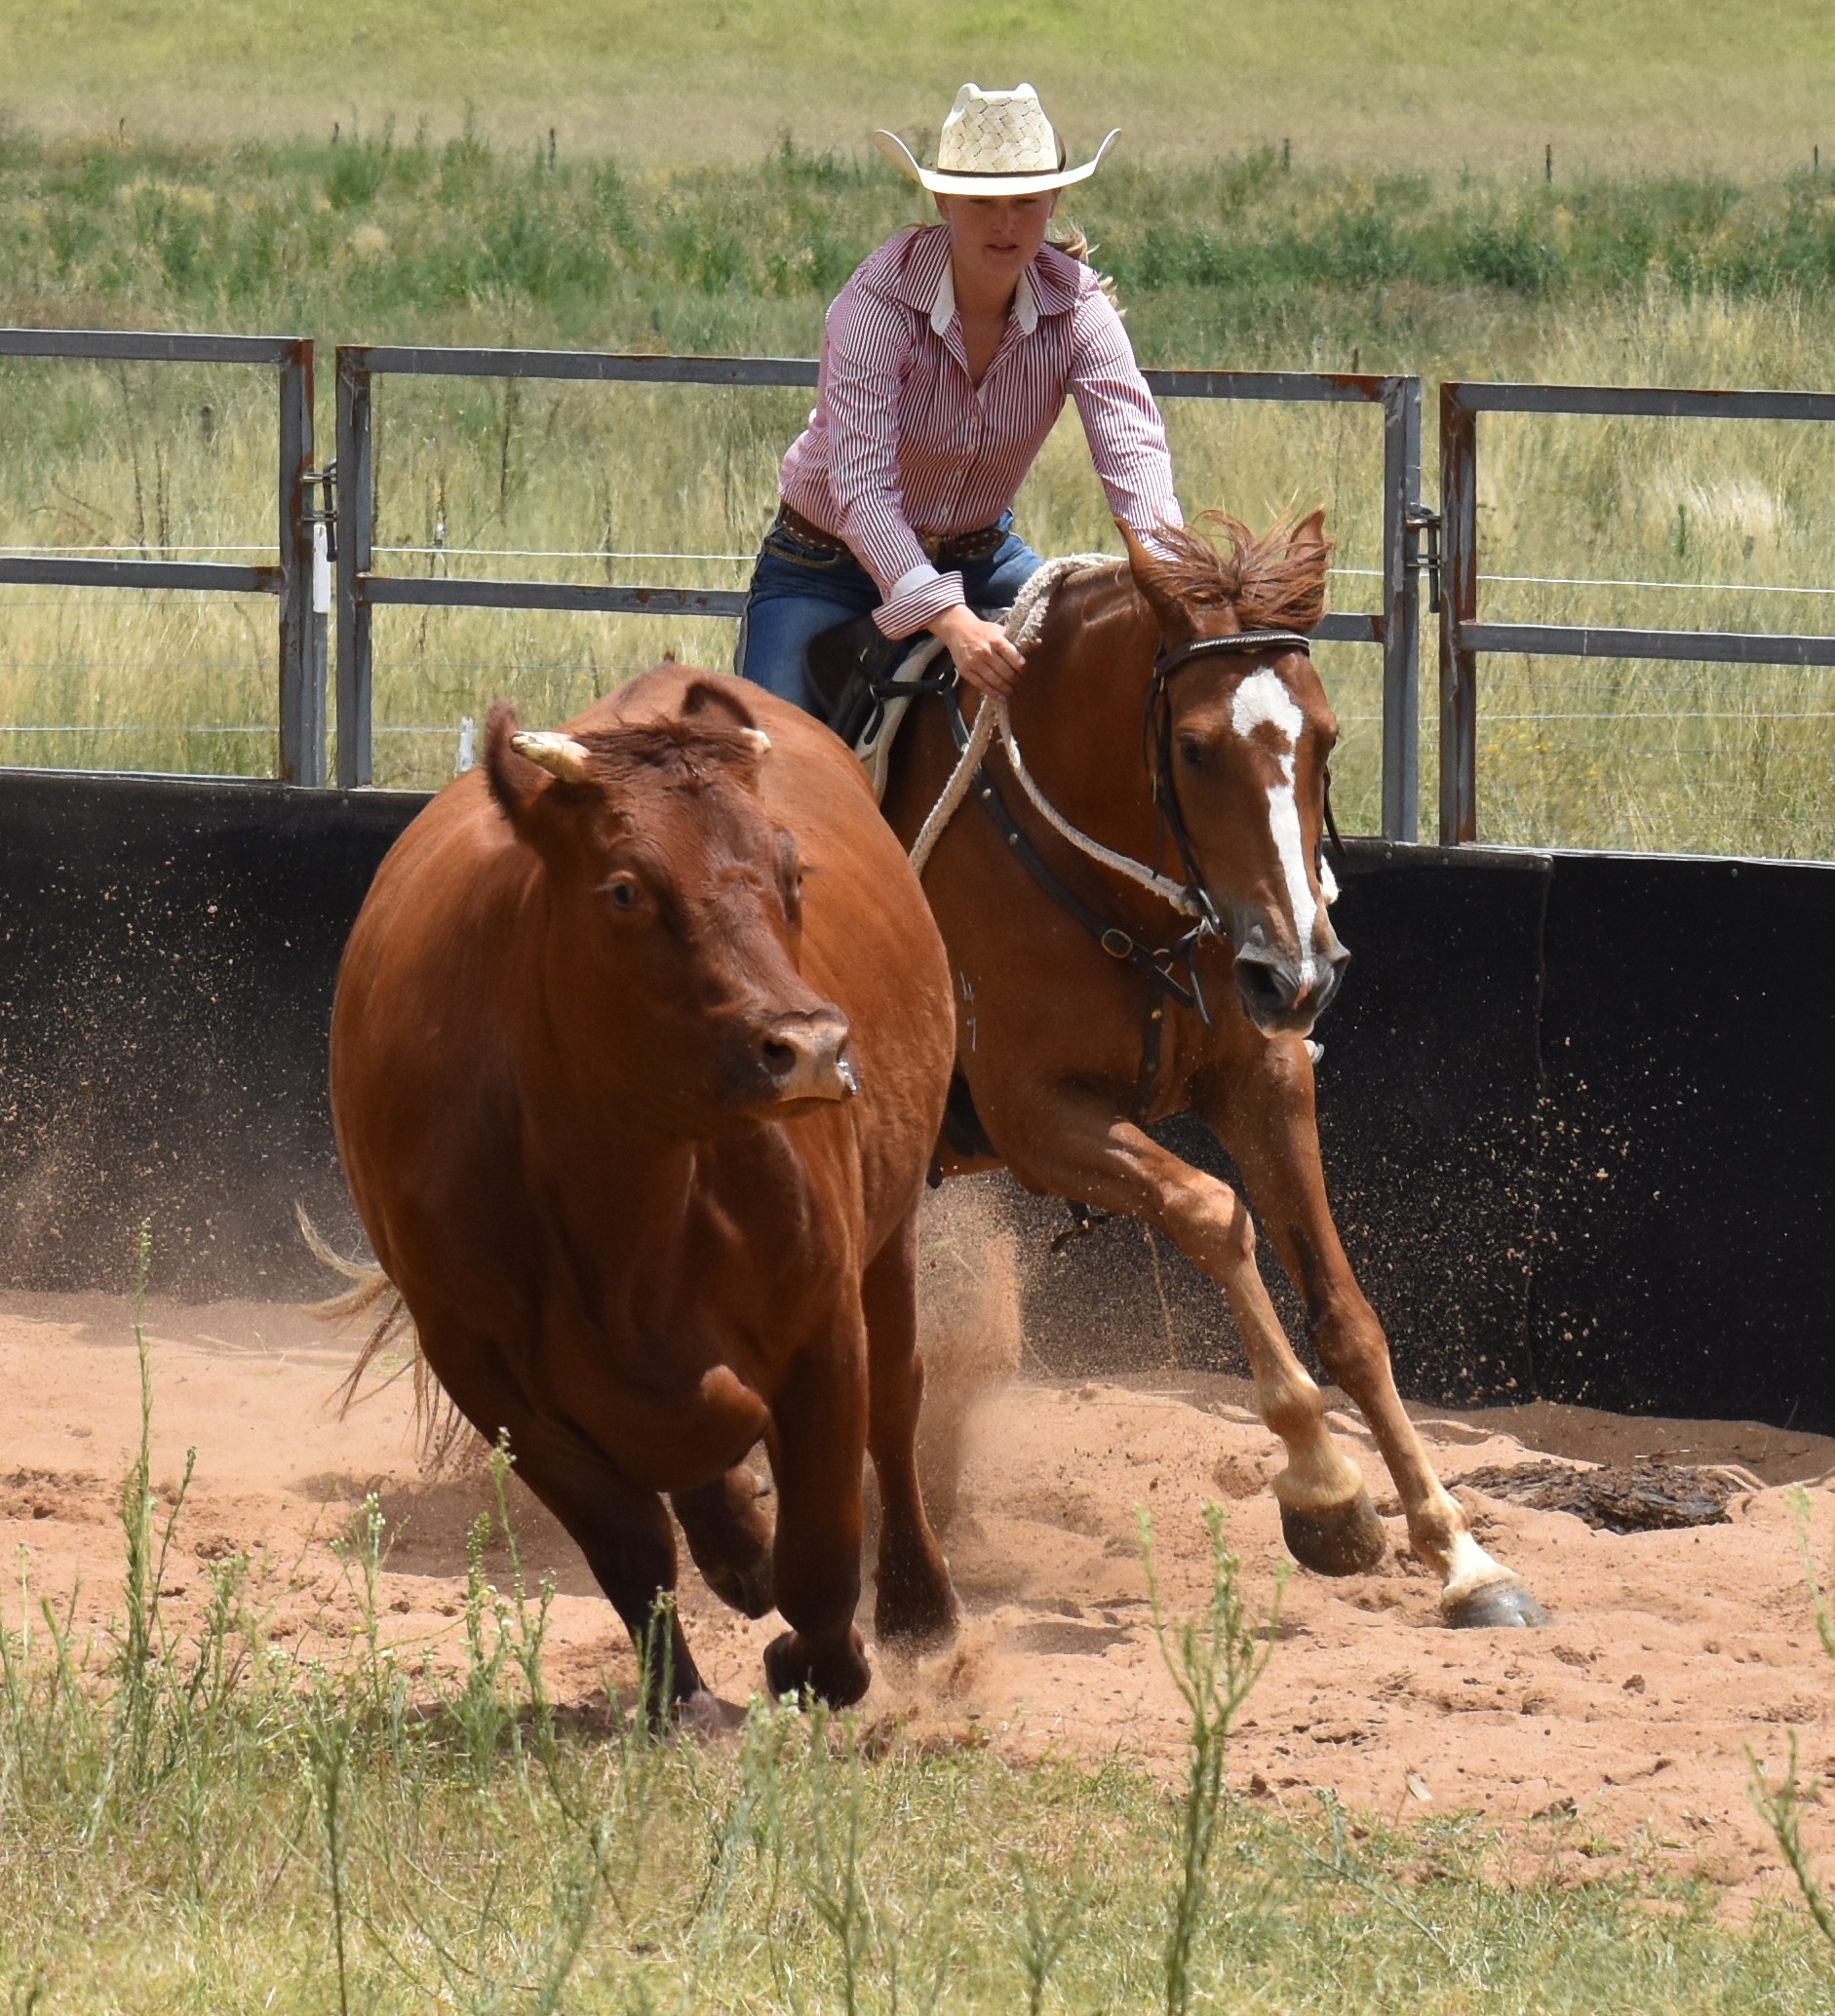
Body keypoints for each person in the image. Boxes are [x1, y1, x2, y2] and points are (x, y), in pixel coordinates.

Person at [735, 82, 1183, 716]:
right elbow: (861, 489)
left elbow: (1134, 453)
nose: (1005, 223)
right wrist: (949, 619)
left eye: (1025, 202)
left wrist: (1170, 580)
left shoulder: (1080, 308)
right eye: (982, 202)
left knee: (1116, 688)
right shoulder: (878, 302)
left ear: (1053, 201)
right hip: (826, 566)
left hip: (980, 557)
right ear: (943, 200)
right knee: (772, 756)